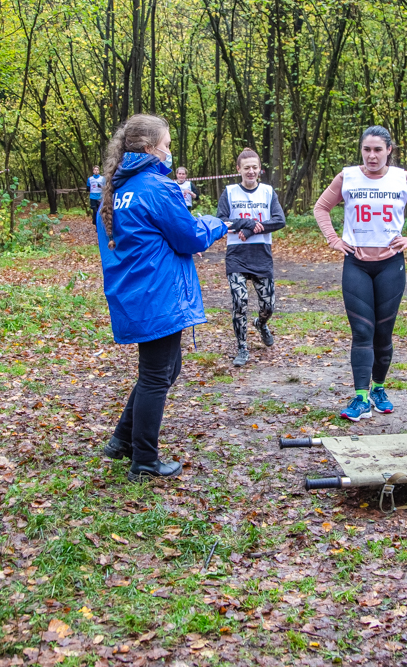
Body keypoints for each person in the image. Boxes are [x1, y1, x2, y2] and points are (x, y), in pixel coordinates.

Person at [95, 114, 232, 483]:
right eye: (167, 145)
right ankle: (144, 460)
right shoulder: (156, 187)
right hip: (158, 295)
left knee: (165, 370)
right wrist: (220, 224)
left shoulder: (117, 191)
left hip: (135, 294)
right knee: (157, 376)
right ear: (148, 147)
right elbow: (189, 236)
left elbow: (148, 240)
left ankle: (122, 440)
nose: (169, 152)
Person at [313, 126, 407, 422]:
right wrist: (334, 239)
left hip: (390, 265)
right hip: (356, 263)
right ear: (361, 151)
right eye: (367, 150)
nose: (372, 156)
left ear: (389, 151)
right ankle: (360, 398)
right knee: (361, 332)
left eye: (378, 150)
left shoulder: (403, 178)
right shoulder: (347, 177)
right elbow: (321, 207)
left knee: (382, 334)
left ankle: (379, 389)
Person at [216, 148, 286, 367]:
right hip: (237, 255)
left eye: (254, 167)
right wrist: (246, 224)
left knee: (268, 306)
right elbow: (221, 222)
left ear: (260, 169)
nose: (251, 171)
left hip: (261, 255)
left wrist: (252, 230)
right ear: (239, 169)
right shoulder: (229, 192)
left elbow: (279, 220)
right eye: (246, 168)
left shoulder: (267, 192)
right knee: (240, 302)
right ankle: (242, 348)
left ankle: (261, 324)